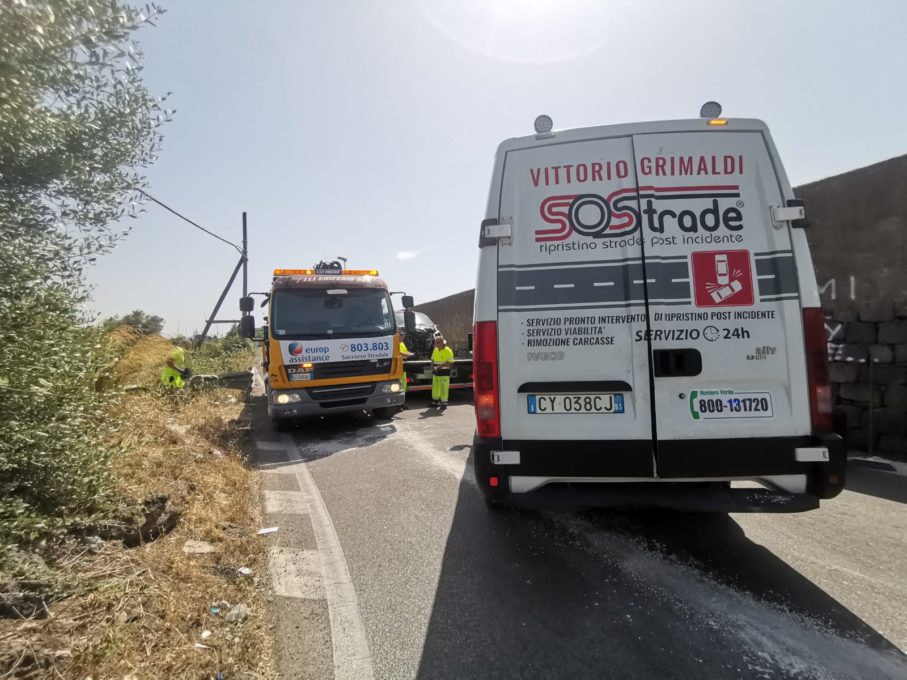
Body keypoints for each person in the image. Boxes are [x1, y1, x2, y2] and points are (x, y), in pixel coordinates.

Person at [430, 335, 454, 410]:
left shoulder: (448, 350)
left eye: (437, 342)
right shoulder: (435, 349)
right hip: (436, 371)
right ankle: (435, 401)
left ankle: (444, 403)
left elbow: (451, 362)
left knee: (444, 387)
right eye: (435, 342)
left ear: (442, 343)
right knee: (435, 387)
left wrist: (441, 366)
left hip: (444, 372)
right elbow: (432, 359)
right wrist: (432, 367)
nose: (435, 344)